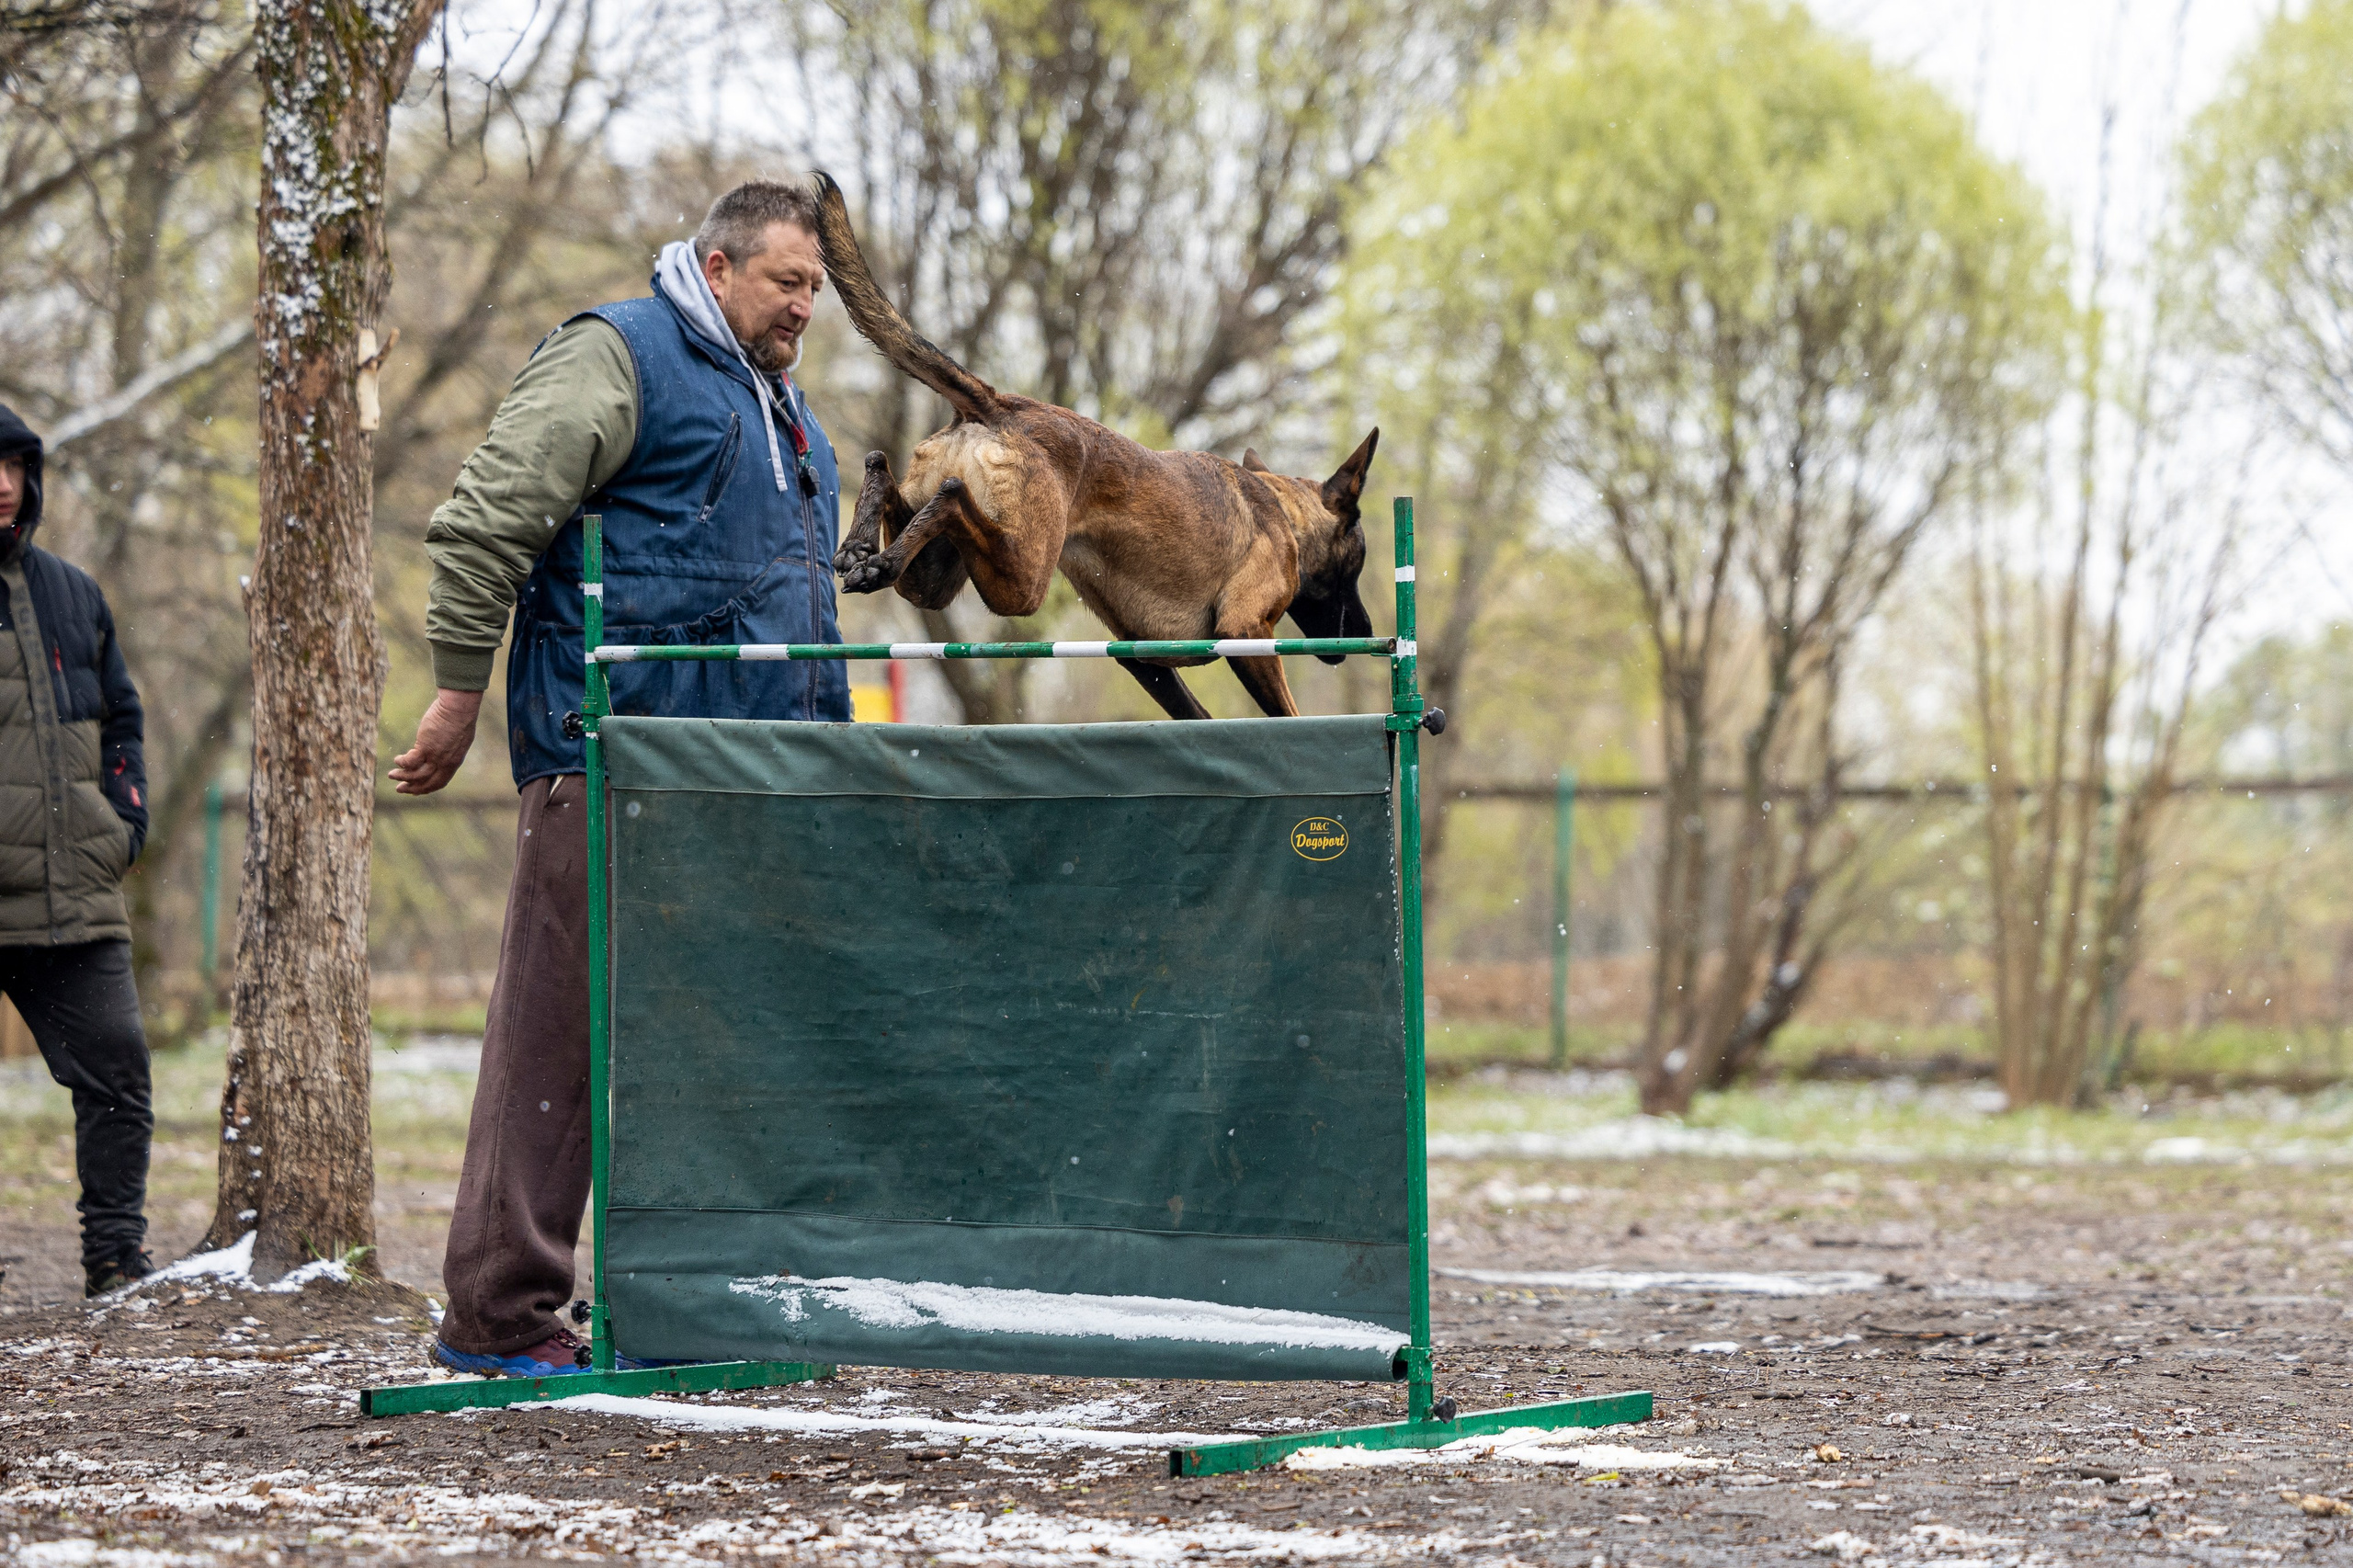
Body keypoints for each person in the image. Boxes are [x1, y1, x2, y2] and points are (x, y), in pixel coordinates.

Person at [391, 180, 851, 1376]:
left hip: (748, 783)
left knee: (711, 1049)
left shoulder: (791, 415)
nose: (806, 305)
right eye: (786, 280)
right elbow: (491, 513)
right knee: (558, 1039)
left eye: (816, 287)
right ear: (717, 262)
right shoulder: (620, 355)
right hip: (613, 756)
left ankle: (681, 1300)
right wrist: (454, 691)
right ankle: (497, 1316)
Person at [0, 405, 154, 1298]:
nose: (1, 483)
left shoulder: (73, 592)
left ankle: (116, 1257)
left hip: (75, 891)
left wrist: (122, 821)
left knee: (119, 1067)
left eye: (15, 465)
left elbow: (122, 721)